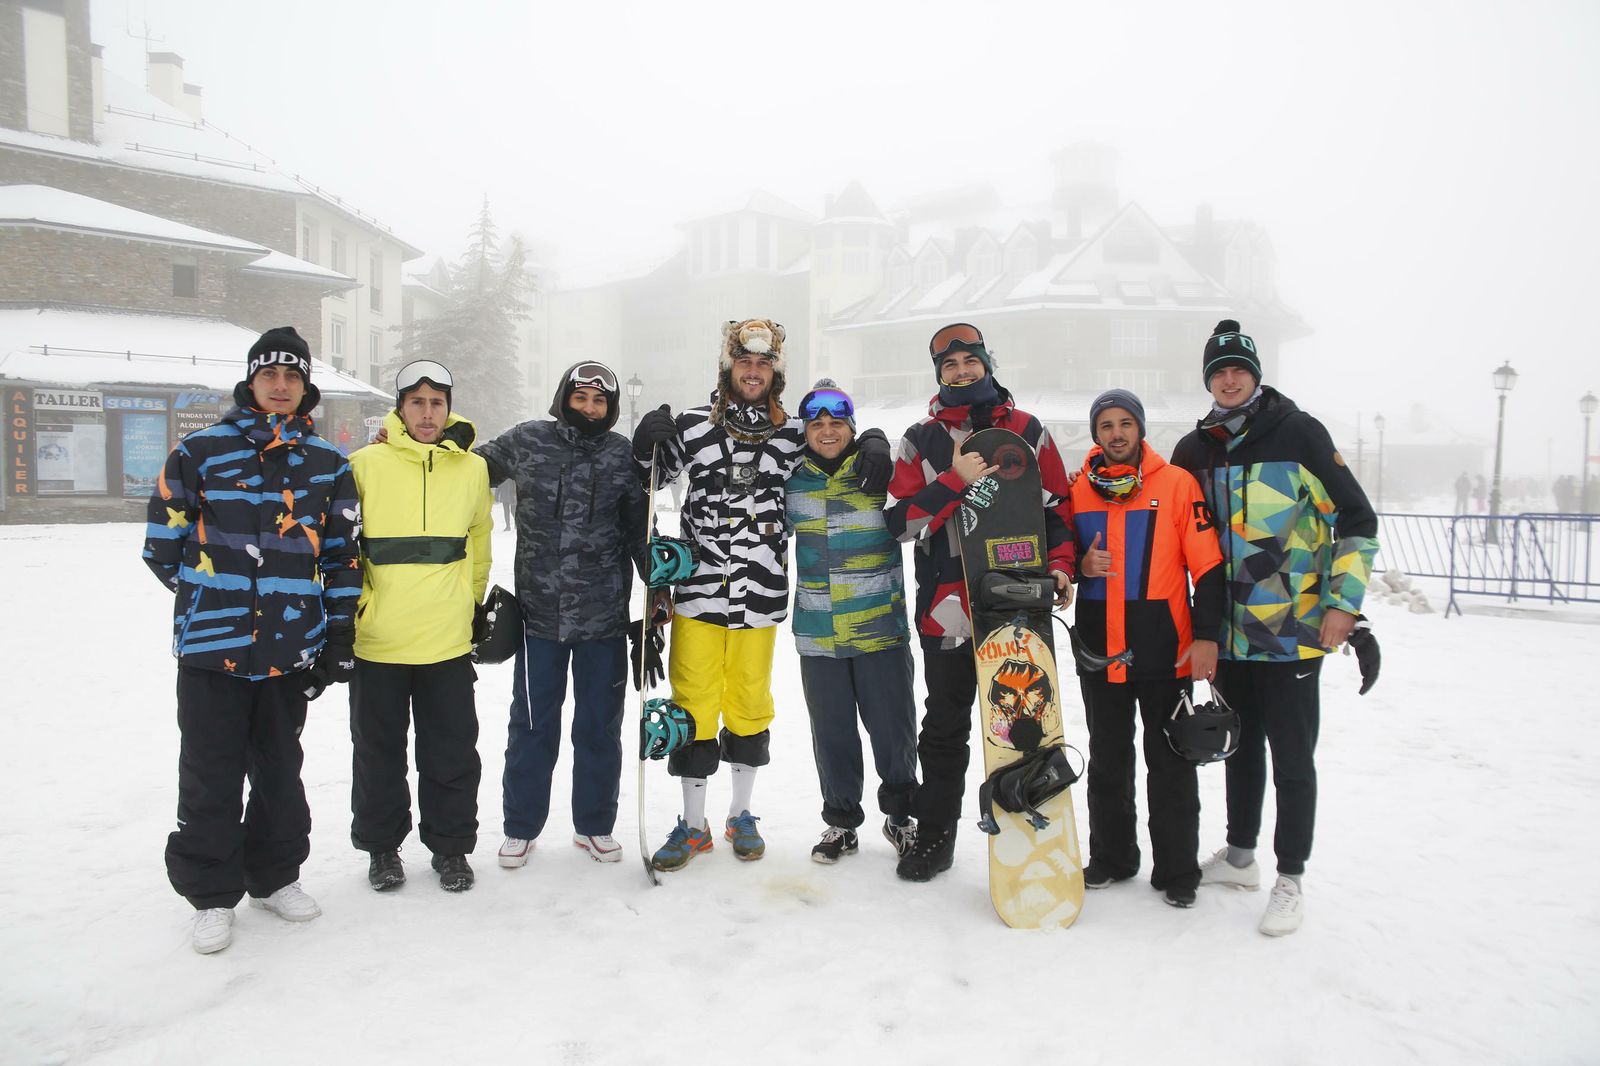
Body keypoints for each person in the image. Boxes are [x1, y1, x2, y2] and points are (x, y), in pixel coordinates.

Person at [630, 320, 893, 870]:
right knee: (694, 702)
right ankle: (694, 824)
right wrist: (645, 442)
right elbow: (646, 482)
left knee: (750, 702)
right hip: (699, 594)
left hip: (761, 595)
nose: (753, 372)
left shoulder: (793, 433)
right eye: (744, 363)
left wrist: (872, 437)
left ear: (775, 372)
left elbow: (834, 447)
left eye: (764, 364)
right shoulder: (694, 426)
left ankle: (741, 814)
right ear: (728, 367)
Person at [142, 326, 361, 954]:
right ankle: (212, 895)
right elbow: (162, 544)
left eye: (292, 376)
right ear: (251, 380)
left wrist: (335, 632)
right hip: (211, 649)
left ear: (305, 386)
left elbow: (344, 556)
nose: (281, 385)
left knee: (279, 770)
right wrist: (213, 601)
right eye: (270, 374)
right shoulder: (200, 451)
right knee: (210, 773)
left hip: (288, 652)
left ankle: (275, 876)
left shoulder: (328, 464)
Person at [1171, 319, 1379, 936]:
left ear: (1256, 375)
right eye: (1219, 371)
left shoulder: (1299, 433)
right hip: (1228, 632)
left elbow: (1357, 518)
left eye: (1239, 369)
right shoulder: (1194, 450)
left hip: (1292, 630)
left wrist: (1345, 604)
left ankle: (1291, 876)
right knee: (1238, 748)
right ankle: (1240, 857)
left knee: (1292, 757)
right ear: (1208, 380)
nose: (1229, 379)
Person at [885, 322, 1077, 883]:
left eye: (970, 361)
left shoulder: (1027, 431)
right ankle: (935, 835)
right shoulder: (919, 440)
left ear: (987, 364)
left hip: (1018, 602)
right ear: (938, 374)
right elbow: (901, 523)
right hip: (948, 609)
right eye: (949, 365)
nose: (961, 371)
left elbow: (1057, 509)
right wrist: (954, 479)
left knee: (1025, 722)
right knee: (945, 727)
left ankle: (1032, 830)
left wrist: (1062, 565)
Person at [476, 361, 648, 868]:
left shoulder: (622, 455)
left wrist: (658, 589)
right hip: (539, 619)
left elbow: (639, 530)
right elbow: (469, 470)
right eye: (581, 398)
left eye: (599, 401)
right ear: (564, 399)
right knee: (531, 725)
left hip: (604, 619)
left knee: (599, 727)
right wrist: (439, 444)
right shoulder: (528, 440)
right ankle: (520, 827)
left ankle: (594, 825)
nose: (589, 409)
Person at [1069, 389, 1224, 909]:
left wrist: (1206, 638)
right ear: (1096, 433)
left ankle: (1178, 870)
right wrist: (1079, 567)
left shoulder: (1176, 484)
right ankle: (1113, 858)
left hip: (1165, 651)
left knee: (1171, 764)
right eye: (1106, 425)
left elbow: (1208, 567)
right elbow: (1060, 556)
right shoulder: (1078, 489)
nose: (1116, 434)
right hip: (1100, 652)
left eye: (1125, 423)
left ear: (1139, 429)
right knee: (1108, 761)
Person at [348, 360, 492, 893]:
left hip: (446, 640)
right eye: (417, 403)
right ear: (400, 408)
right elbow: (343, 548)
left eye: (437, 403)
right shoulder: (363, 464)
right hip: (379, 640)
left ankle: (451, 849)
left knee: (451, 751)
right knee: (378, 753)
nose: (427, 414)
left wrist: (470, 604)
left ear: (448, 409)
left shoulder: (472, 469)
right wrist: (357, 609)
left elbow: (479, 541)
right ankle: (382, 849)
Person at [785, 379, 918, 864]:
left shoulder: (877, 473)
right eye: (816, 423)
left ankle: (901, 817)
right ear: (804, 431)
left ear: (852, 428)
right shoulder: (791, 482)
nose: (827, 431)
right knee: (832, 734)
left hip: (879, 627)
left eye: (837, 422)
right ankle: (841, 824)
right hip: (819, 633)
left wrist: (878, 440)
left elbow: (918, 511)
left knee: (893, 731)